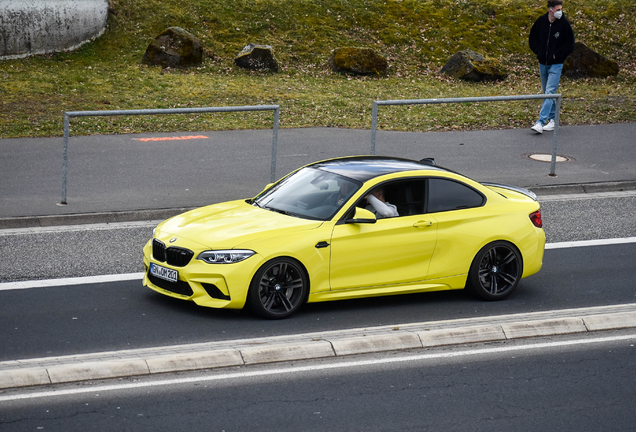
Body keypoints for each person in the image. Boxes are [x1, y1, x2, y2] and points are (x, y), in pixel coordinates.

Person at [528, 0, 575, 134]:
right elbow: (532, 39)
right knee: (547, 93)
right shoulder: (541, 21)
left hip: (556, 64)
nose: (560, 12)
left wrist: (557, 55)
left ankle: (540, 122)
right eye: (558, 9)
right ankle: (553, 119)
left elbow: (570, 45)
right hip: (543, 63)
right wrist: (539, 52)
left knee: (549, 92)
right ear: (551, 11)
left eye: (561, 9)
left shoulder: (564, 24)